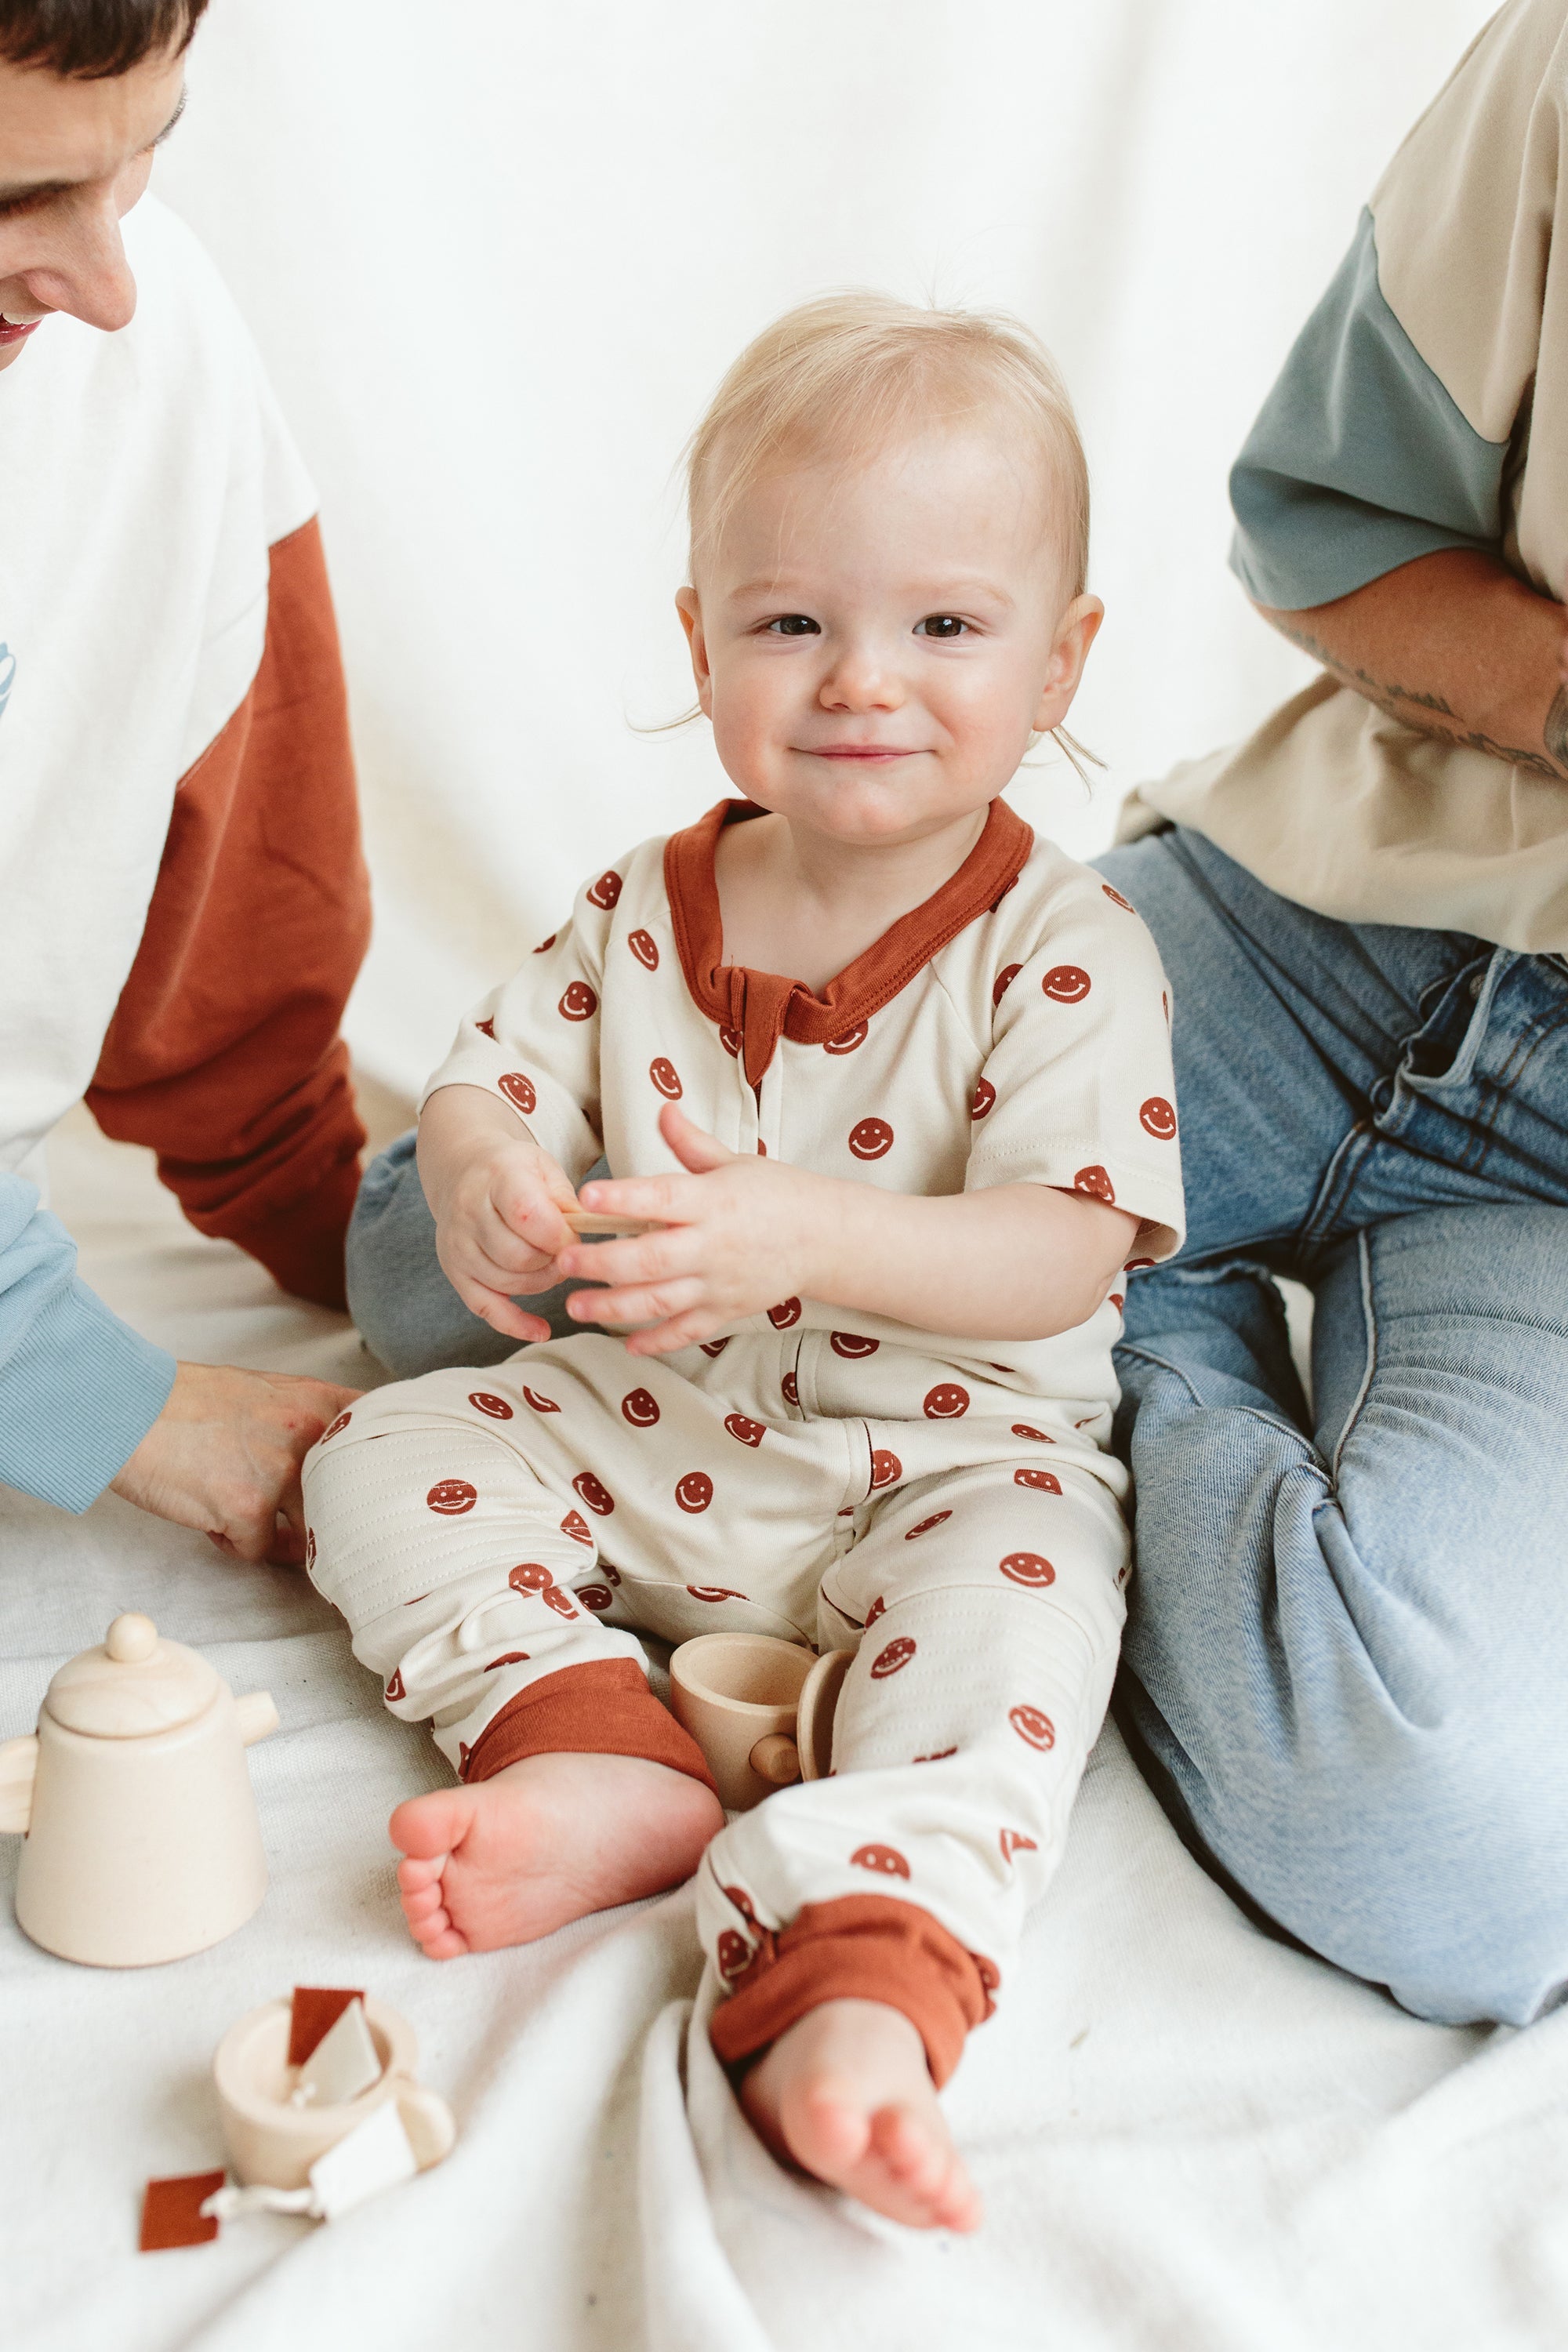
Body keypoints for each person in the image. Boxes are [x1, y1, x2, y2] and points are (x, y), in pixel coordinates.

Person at [301, 296, 1185, 2232]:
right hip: (654, 1419)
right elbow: (488, 1075)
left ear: (1061, 661)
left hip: (950, 1463)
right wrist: (481, 1173)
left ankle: (856, 1971)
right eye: (791, 623)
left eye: (946, 625)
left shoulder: (1066, 948)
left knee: (1024, 1632)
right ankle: (585, 1741)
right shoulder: (641, 902)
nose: (863, 679)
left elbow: (1060, 1251)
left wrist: (814, 1234)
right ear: (698, 643)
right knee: (375, 1455)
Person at [1095, 0, 1568, 2030]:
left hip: (1542, 1212)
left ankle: (1118, 1310)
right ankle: (1080, 1244)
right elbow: (1329, 522)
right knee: (453, 1264)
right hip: (1317, 921)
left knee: (1451, 1857)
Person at [0, 0, 368, 1562]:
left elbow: (228, 913)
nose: (105, 283)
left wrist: (389, 1250)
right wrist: (85, 1387)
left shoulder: (157, 345)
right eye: (12, 199)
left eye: (145, 155)